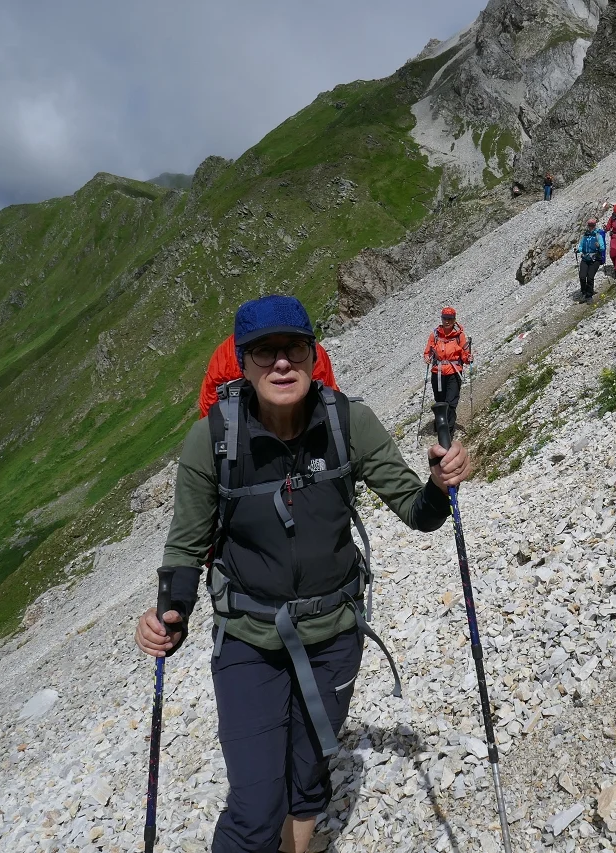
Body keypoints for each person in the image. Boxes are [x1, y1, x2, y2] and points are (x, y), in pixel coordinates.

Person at [136, 295, 471, 853]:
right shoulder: (212, 441)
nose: (281, 363)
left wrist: (439, 486)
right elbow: (185, 548)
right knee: (253, 807)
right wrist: (170, 615)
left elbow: (417, 513)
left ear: (313, 355)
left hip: (333, 636)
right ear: (242, 365)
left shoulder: (348, 423)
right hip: (247, 640)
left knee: (308, 773)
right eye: (264, 352)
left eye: (293, 348)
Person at [199, 332, 338, 418]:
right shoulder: (309, 350)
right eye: (264, 350)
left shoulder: (226, 353)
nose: (282, 364)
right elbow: (330, 398)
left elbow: (209, 408)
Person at [422, 307, 472, 434]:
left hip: (454, 372)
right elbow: (428, 351)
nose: (447, 321)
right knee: (440, 401)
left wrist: (469, 358)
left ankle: (447, 431)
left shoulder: (460, 335)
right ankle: (440, 423)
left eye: (450, 319)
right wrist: (427, 357)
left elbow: (465, 355)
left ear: (454, 320)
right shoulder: (435, 334)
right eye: (445, 318)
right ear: (441, 318)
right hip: (437, 373)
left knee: (451, 402)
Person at [577, 218, 605, 301]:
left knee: (590, 277)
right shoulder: (585, 236)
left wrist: (599, 246)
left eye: (592, 225)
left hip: (595, 259)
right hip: (585, 258)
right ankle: (584, 292)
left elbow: (602, 248)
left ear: (595, 226)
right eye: (589, 225)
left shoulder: (598, 236)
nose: (591, 227)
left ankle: (589, 296)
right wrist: (578, 250)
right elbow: (581, 246)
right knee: (582, 276)